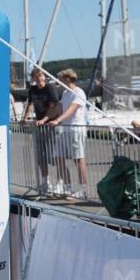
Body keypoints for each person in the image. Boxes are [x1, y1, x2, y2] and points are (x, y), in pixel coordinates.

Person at [48, 69, 89, 199]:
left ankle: (82, 189)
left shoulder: (78, 92)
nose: (58, 81)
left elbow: (72, 109)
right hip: (65, 130)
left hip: (76, 129)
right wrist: (44, 120)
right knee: (59, 158)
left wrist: (57, 120)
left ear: (67, 79)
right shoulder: (65, 93)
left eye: (60, 79)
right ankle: (68, 187)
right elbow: (58, 108)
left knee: (78, 159)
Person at [23, 68, 63, 195]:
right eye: (36, 77)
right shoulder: (33, 89)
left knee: (55, 155)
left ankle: (60, 182)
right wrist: (24, 118)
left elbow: (53, 106)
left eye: (40, 76)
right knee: (41, 156)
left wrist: (44, 120)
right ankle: (45, 182)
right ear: (33, 79)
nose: (39, 79)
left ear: (44, 77)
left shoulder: (50, 88)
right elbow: (30, 104)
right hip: (40, 126)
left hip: (51, 124)